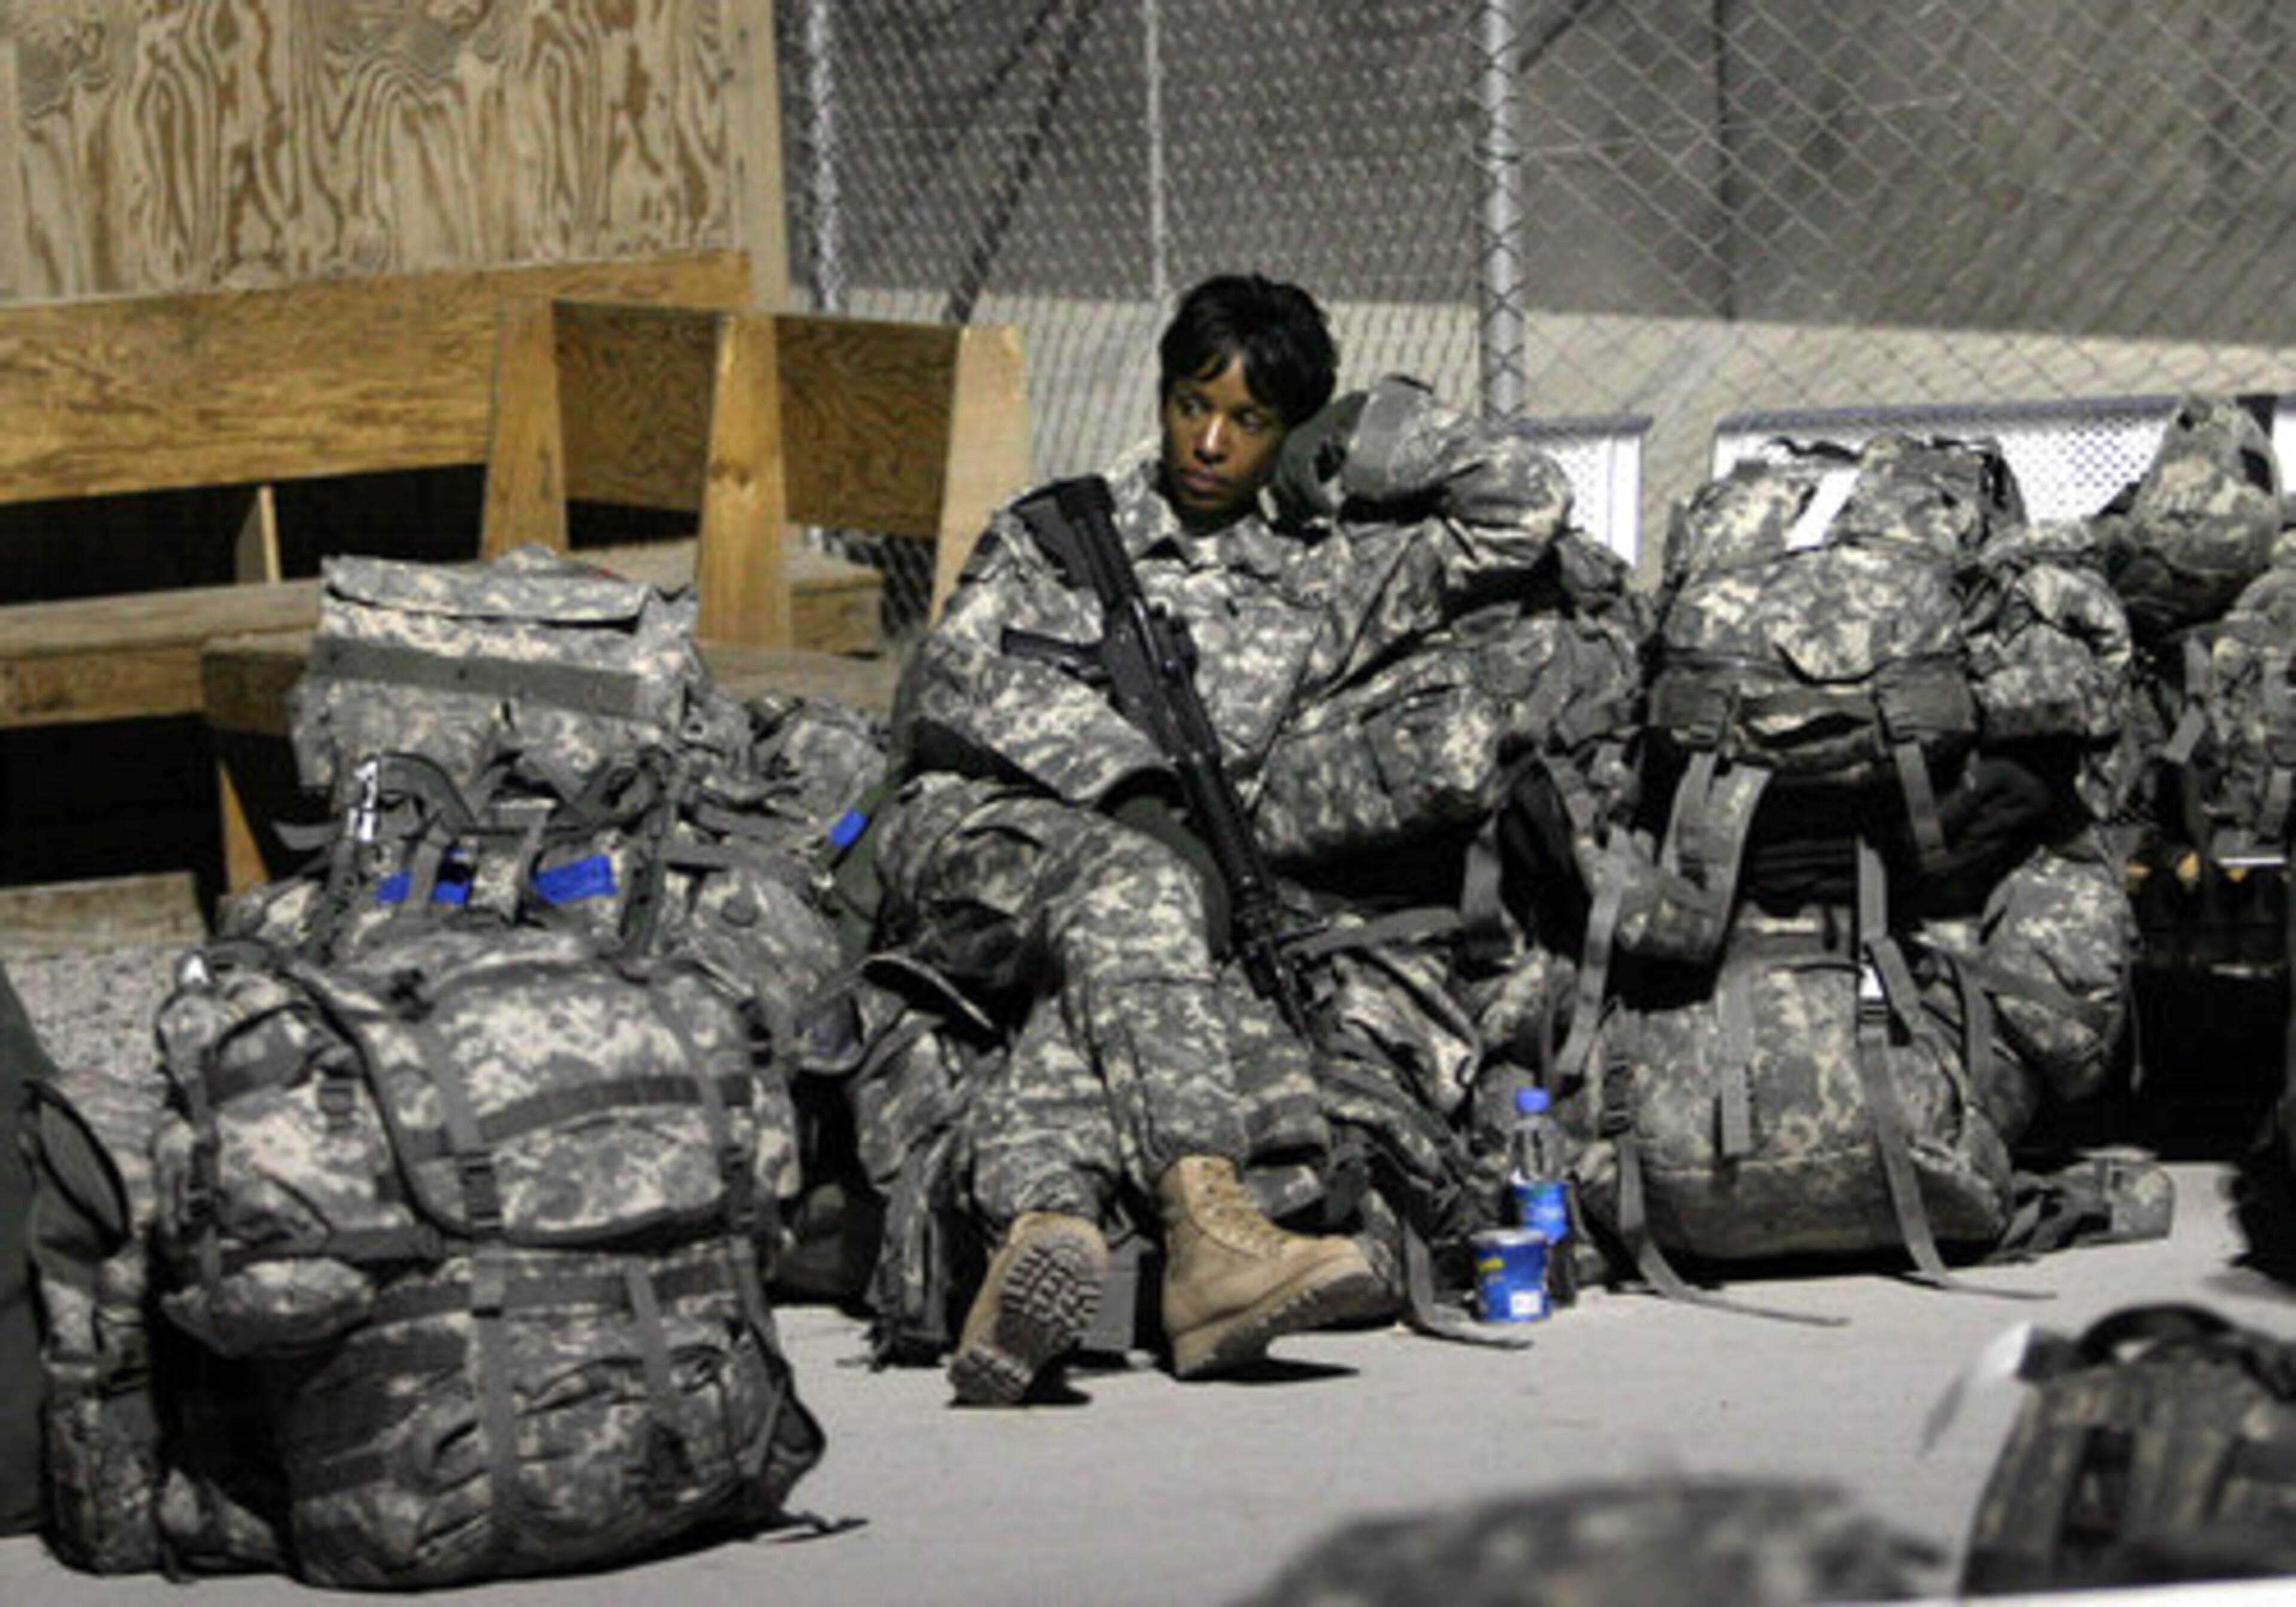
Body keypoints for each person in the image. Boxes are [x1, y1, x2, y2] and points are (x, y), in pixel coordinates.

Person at [863, 271, 1585, 1403]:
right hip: (983, 833)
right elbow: (951, 684)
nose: (1208, 442)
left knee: (1151, 983)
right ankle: (1210, 1237)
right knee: (1148, 903)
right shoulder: (1065, 529)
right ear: (1160, 393)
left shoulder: (1323, 563)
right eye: (1190, 404)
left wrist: (1368, 436)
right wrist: (1131, 787)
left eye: (1250, 423)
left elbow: (1525, 503)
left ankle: (1043, 1219)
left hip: (1158, 886)